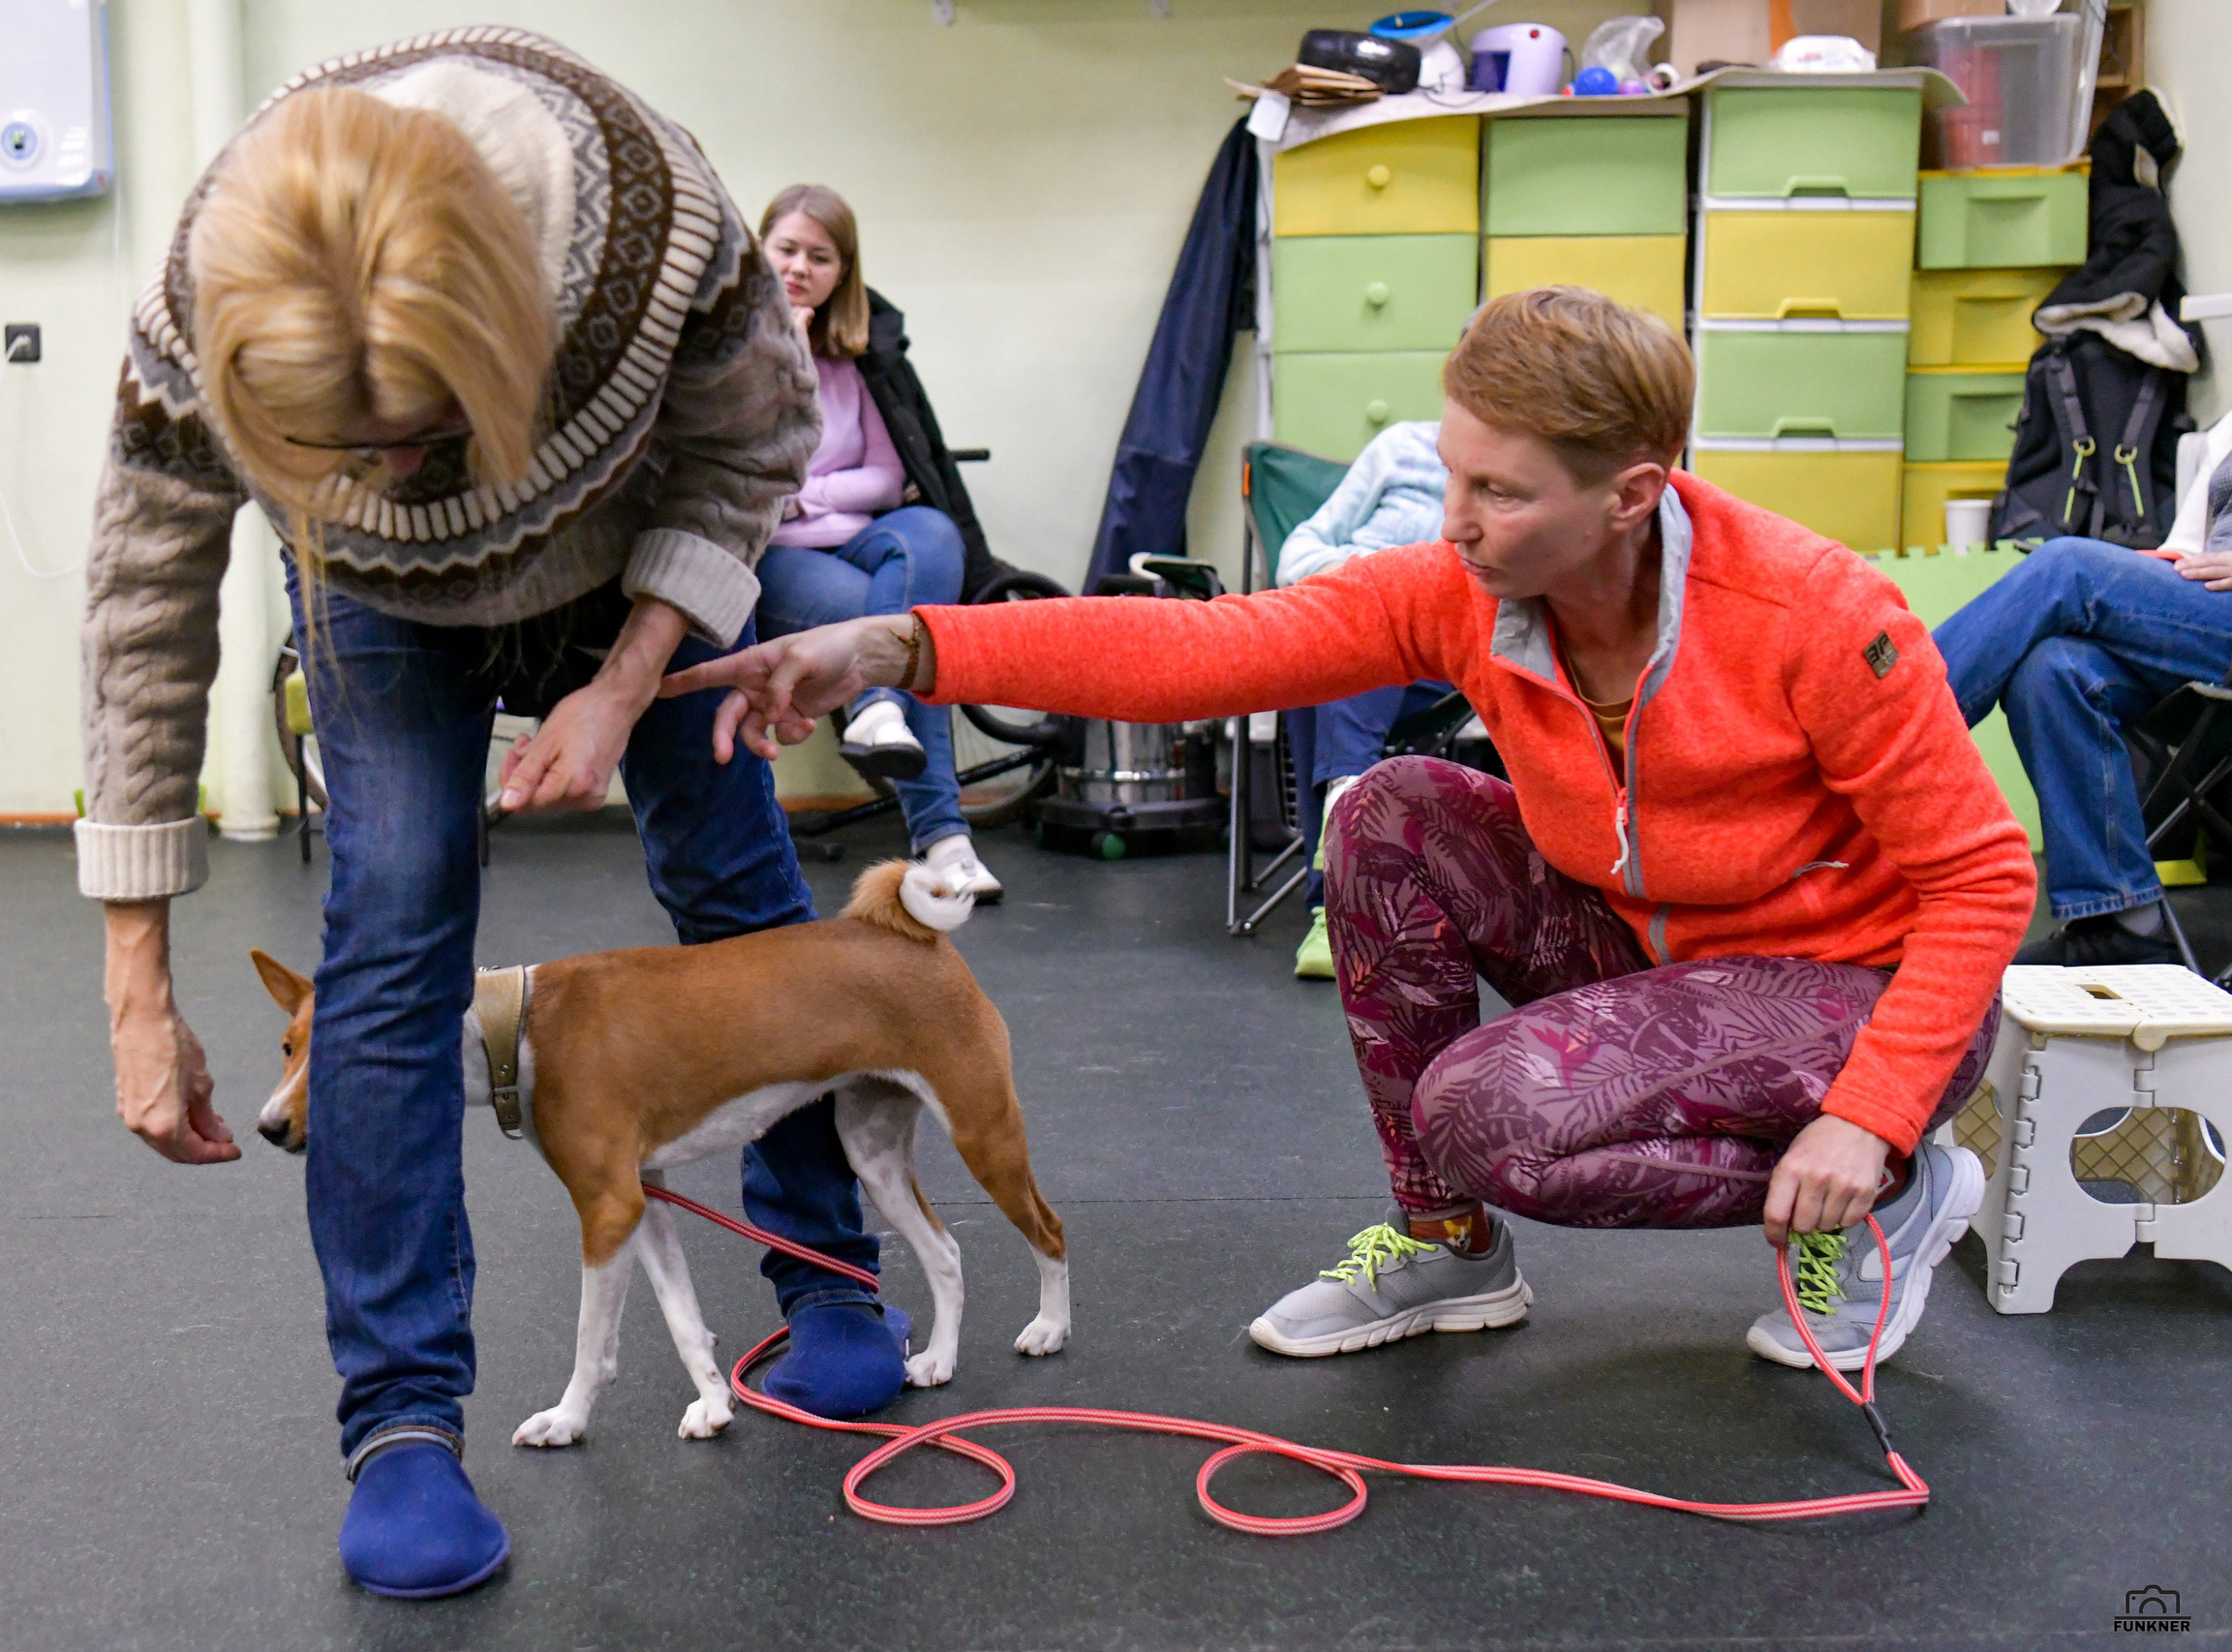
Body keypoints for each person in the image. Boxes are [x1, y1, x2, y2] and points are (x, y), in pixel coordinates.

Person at [672, 288, 2036, 1383]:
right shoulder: (1474, 586)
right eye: (1454, 475)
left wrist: (1870, 1110)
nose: (1458, 522)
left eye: (1502, 492)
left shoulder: (1816, 615)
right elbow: (1214, 648)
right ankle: (1453, 1249)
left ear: (1630, 496)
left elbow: (1984, 877)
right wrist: (905, 641)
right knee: (1389, 809)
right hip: (1649, 948)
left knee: (1494, 1109)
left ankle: (1893, 1190)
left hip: (1846, 994)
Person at [76, 31, 908, 1600]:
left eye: (423, 435)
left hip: (633, 552)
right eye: (345, 450)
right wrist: (136, 982)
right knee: (390, 922)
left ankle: (830, 1278)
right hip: (382, 610)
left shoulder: (655, 221)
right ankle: (399, 1427)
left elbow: (751, 441)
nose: (393, 468)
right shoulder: (195, 305)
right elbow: (141, 611)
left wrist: (630, 670)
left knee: (735, 880)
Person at [751, 184, 1000, 899]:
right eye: (787, 249)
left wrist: (816, 494)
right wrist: (785, 359)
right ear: (759, 252)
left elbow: (890, 478)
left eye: (820, 256)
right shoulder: (727, 361)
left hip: (859, 537)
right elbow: (755, 480)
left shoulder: (857, 359)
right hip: (780, 556)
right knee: (909, 631)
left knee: (931, 533)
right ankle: (946, 839)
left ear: (842, 274)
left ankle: (877, 710)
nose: (800, 267)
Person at [1933, 442, 2232, 966]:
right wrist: (2144, 571)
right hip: (2207, 621)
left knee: (2067, 565)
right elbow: (2189, 547)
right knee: (2051, 669)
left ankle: (1877, 734)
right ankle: (2123, 924)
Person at [1274, 419, 1454, 979]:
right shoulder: (1403, 447)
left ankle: (1332, 898)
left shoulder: (1520, 471)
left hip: (1439, 648)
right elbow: (1300, 547)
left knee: (1347, 654)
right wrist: (1354, 576)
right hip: (1347, 613)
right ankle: (1343, 852)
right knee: (1325, 662)